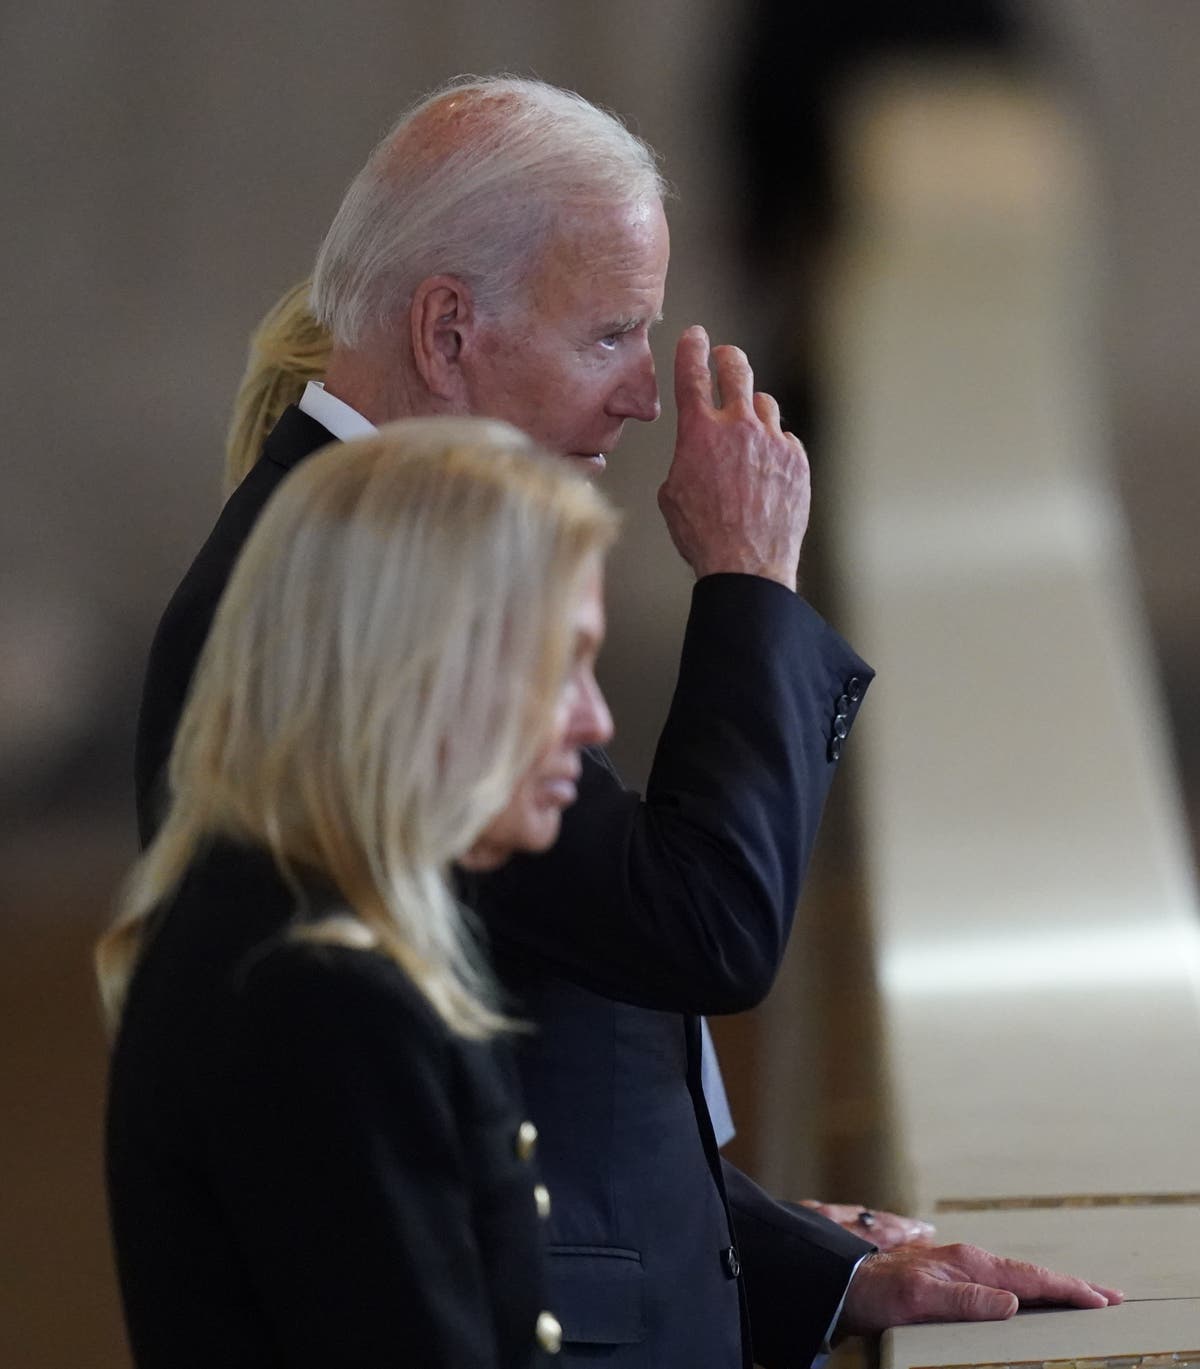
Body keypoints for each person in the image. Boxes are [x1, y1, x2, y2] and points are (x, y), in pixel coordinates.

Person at [135, 77, 1120, 1367]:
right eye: (609, 335)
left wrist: (819, 1267)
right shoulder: (359, 612)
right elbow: (698, 923)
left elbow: (554, 1074)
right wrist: (752, 581)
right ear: (448, 332)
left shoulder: (385, 562)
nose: (646, 397)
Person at [101, 421, 618, 1367]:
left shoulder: (289, 924)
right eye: (563, 663)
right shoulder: (322, 992)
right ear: (428, 664)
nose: (596, 718)